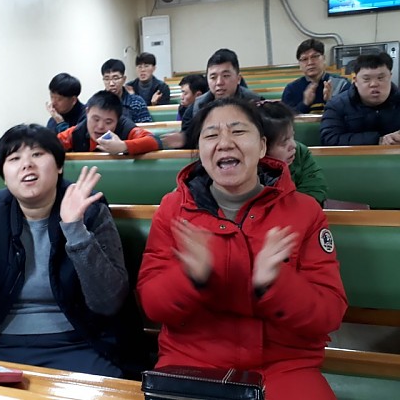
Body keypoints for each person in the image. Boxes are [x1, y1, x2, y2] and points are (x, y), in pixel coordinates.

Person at [137, 98, 347, 400]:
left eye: (238, 131)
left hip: (285, 366)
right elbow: (153, 305)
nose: (224, 143)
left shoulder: (305, 211)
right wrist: (190, 277)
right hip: (192, 361)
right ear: (200, 150)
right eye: (211, 135)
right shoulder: (173, 209)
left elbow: (328, 313)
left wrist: (276, 283)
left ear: (262, 146)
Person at [0, 124, 143, 378]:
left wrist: (75, 229)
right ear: (4, 175)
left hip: (81, 343)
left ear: (59, 166)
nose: (27, 164)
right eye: (14, 158)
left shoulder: (90, 208)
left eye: (38, 154)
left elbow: (108, 302)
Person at [163, 49, 263, 149]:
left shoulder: (256, 104)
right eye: (213, 77)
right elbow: (190, 140)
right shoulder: (195, 107)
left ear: (238, 79)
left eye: (226, 76)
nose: (219, 82)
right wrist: (184, 140)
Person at [320, 52, 400, 146]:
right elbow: (329, 139)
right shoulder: (337, 105)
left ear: (390, 77)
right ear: (355, 80)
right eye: (366, 79)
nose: (374, 84)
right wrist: (377, 140)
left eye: (380, 78)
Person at [257, 101, 327, 205]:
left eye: (292, 136)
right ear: (262, 147)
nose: (293, 145)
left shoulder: (300, 152)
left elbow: (316, 190)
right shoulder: (248, 166)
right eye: (284, 142)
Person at [57, 90, 162, 155]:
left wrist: (123, 146)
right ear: (87, 112)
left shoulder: (125, 128)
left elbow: (155, 141)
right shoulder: (77, 132)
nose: (100, 126)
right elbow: (52, 144)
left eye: (108, 122)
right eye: (96, 119)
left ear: (118, 119)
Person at [282, 39, 350, 114]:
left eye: (314, 56)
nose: (310, 62)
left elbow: (350, 114)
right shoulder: (291, 89)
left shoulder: (341, 84)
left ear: (324, 58)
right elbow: (285, 118)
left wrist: (331, 101)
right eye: (304, 59)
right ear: (299, 64)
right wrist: (305, 103)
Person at [101, 58, 152, 123]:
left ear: (124, 79)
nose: (111, 84)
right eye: (107, 79)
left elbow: (146, 127)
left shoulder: (137, 102)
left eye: (115, 78)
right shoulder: (97, 103)